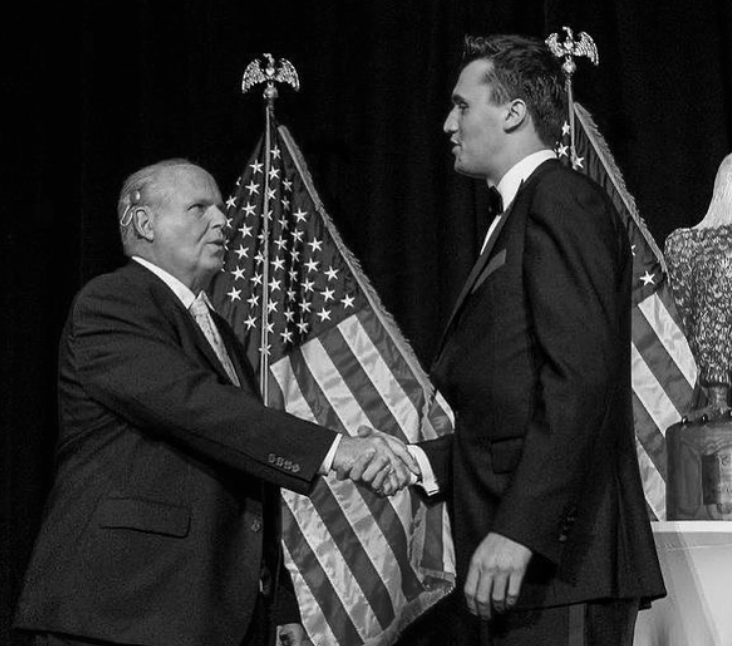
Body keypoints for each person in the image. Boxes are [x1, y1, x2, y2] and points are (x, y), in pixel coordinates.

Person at [14, 159, 417, 646]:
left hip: (204, 613)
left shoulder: (218, 331)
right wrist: (337, 450)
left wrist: (276, 602)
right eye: (199, 208)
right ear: (144, 224)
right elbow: (198, 409)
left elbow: (242, 458)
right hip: (121, 607)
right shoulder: (112, 302)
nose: (223, 220)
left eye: (222, 209)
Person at [391, 34, 666, 646]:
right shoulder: (520, 211)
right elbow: (512, 403)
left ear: (514, 112)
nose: (448, 124)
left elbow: (578, 378)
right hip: (529, 570)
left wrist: (520, 528)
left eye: (462, 106)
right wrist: (420, 463)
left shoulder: (560, 199)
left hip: (560, 562)